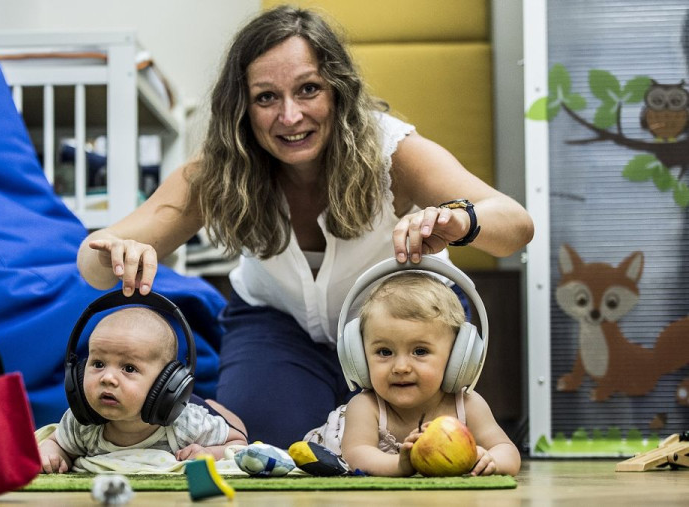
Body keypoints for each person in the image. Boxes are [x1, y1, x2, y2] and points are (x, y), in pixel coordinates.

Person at [76, 6, 534, 447]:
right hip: (276, 324)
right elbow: (93, 263)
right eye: (266, 97)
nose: (290, 116)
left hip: (400, 332)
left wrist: (461, 219)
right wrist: (116, 252)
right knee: (265, 453)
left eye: (309, 89)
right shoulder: (219, 167)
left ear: (338, 90)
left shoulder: (393, 150)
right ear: (242, 107)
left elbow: (516, 225)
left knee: (400, 450)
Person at [334, 272, 520, 476]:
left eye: (420, 351)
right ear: (360, 357)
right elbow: (356, 455)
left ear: (456, 358)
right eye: (384, 352)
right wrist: (399, 465)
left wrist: (491, 460)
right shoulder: (366, 406)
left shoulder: (468, 405)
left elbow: (507, 451)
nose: (401, 367)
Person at [39, 307, 247, 473]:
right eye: (98, 364)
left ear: (166, 383)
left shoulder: (187, 425)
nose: (107, 378)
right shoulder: (82, 426)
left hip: (200, 408)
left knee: (225, 419)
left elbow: (239, 443)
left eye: (129, 368)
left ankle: (212, 405)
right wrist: (52, 453)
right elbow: (57, 443)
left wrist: (209, 453)